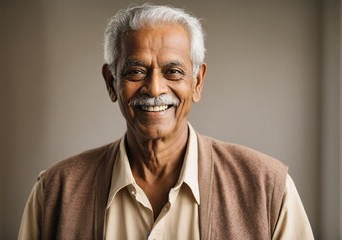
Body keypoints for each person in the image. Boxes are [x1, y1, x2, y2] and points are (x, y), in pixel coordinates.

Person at [18, 3, 314, 239]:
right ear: (111, 82)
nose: (155, 89)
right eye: (135, 71)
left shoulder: (268, 189)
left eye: (173, 72)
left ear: (197, 82)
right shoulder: (54, 192)